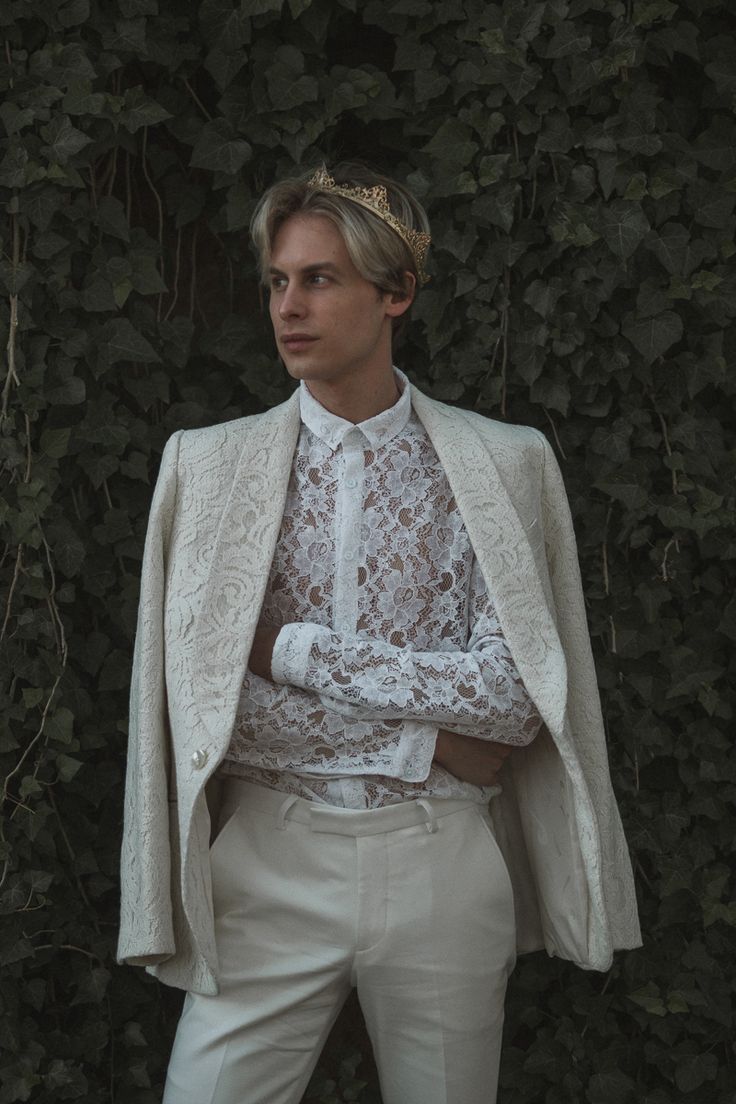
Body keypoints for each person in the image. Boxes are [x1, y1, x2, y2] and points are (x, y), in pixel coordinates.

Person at [117, 164, 641, 1104]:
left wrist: (289, 650)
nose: (289, 305)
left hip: (441, 864)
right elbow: (206, 707)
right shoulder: (206, 468)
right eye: (279, 281)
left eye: (319, 279)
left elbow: (514, 696)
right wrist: (426, 739)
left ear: (396, 292)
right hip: (265, 866)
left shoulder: (505, 464)